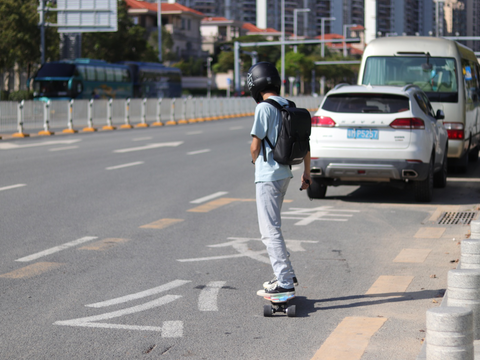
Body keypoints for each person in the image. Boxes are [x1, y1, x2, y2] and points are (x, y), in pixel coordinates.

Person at [247, 62, 311, 297]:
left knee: (269, 230)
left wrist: (255, 160)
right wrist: (307, 173)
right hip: (285, 173)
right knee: (274, 227)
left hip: (268, 176)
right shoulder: (288, 105)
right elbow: (305, 145)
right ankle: (287, 273)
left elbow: (255, 145)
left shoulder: (264, 108)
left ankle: (284, 281)